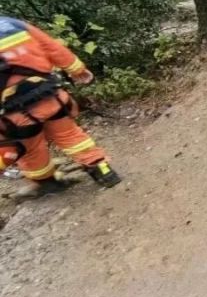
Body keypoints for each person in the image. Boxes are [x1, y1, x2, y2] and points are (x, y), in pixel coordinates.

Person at [0, 16, 121, 197]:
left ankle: (47, 183)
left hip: (15, 115)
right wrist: (78, 70)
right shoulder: (12, 24)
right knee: (71, 136)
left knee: (31, 151)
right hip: (52, 97)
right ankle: (103, 170)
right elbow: (52, 47)